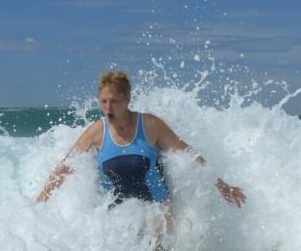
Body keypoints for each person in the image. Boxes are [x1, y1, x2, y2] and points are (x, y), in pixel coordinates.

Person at [36, 71, 246, 213]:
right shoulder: (96, 132)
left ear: (127, 98)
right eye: (104, 102)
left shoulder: (150, 125)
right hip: (115, 218)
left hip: (158, 212)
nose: (108, 108)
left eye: (114, 101)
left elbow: (187, 153)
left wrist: (221, 185)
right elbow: (66, 166)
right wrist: (41, 201)